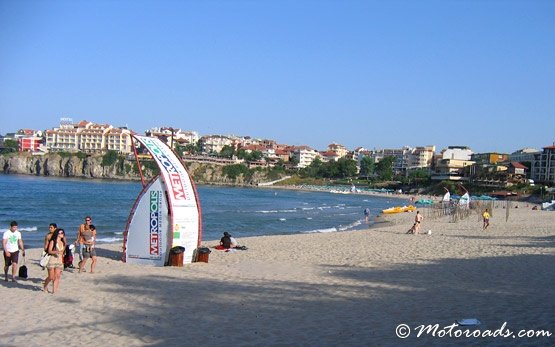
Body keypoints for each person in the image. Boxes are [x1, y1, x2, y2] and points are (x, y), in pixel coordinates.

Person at [44, 228, 66, 293]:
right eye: (61, 233)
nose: (62, 234)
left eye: (63, 233)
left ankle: (54, 290)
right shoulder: (53, 241)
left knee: (57, 276)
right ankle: (45, 286)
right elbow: (49, 251)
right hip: (52, 260)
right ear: (57, 234)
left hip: (59, 260)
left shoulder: (62, 242)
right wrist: (56, 252)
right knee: (51, 277)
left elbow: (62, 252)